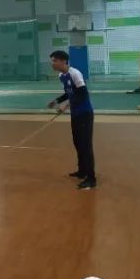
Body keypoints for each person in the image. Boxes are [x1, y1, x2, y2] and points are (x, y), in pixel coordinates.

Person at [47, 50, 96, 190]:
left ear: (63, 61)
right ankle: (82, 171)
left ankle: (91, 179)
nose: (52, 63)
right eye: (52, 61)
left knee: (85, 146)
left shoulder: (75, 74)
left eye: (55, 61)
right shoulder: (62, 76)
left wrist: (66, 106)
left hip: (84, 114)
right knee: (78, 143)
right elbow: (69, 92)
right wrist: (57, 101)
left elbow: (83, 94)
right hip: (75, 114)